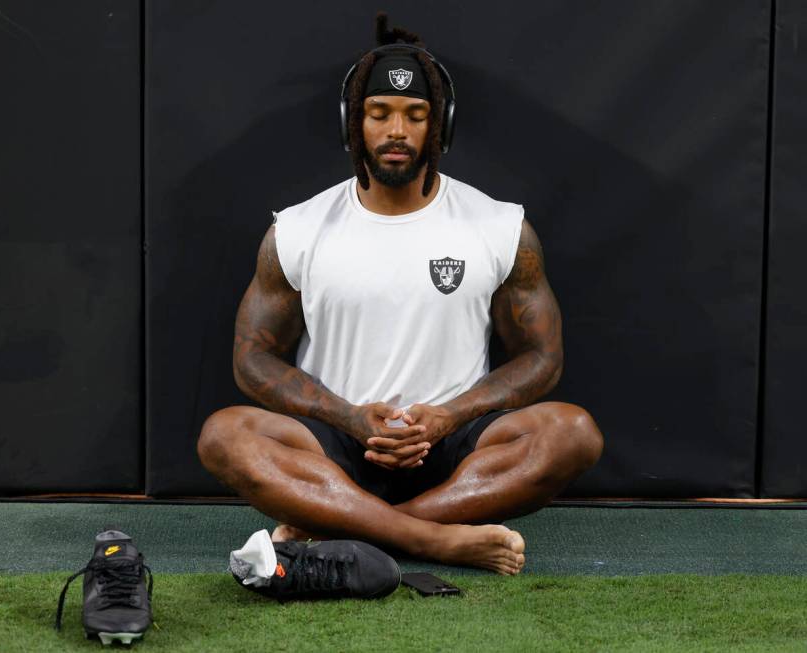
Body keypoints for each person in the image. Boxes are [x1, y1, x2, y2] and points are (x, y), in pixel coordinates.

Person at [197, 15, 603, 575]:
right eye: (379, 113)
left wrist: (448, 416)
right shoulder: (297, 230)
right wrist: (350, 417)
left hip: (457, 449)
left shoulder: (498, 226)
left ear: (441, 126)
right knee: (224, 435)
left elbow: (542, 356)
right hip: (337, 447)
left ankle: (352, 531)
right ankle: (433, 540)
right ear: (352, 123)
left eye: (416, 116)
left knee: (572, 434)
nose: (397, 131)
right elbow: (252, 358)